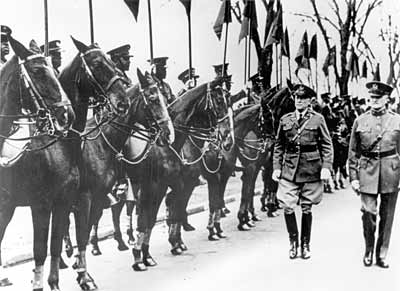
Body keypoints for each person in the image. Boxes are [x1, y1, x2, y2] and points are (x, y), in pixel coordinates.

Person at [272, 84, 333, 260]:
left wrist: (326, 167)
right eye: (297, 98)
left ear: (309, 101)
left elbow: (327, 144)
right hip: (289, 168)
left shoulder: (318, 119)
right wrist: (276, 167)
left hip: (311, 169)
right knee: (287, 206)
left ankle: (305, 245)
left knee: (307, 207)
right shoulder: (286, 119)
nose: (299, 101)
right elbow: (279, 145)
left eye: (303, 98)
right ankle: (293, 243)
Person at [348, 81, 400, 268]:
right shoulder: (360, 121)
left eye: (378, 98)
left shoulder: (396, 120)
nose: (374, 101)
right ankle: (369, 249)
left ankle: (381, 254)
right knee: (368, 213)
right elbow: (353, 153)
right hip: (367, 172)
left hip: (391, 173)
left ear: (387, 99)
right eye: (372, 98)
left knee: (387, 217)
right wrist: (353, 178)